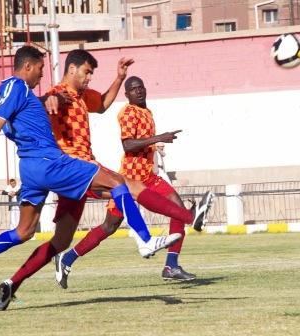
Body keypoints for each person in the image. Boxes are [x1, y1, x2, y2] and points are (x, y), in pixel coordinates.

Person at [0, 46, 198, 301]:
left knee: (32, 233)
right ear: (29, 66)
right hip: (61, 165)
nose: (42, 74)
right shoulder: (32, 88)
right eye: (40, 68)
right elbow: (2, 119)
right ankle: (161, 231)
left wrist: (118, 77)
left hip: (39, 168)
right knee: (122, 184)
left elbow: (99, 104)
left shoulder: (60, 95)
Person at [53, 75, 214, 286]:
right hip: (129, 178)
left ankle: (171, 265)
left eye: (141, 87)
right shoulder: (127, 113)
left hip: (148, 175)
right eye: (133, 89)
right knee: (109, 227)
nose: (139, 91)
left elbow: (143, 144)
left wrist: (155, 146)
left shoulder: (147, 112)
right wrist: (158, 138)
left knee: (176, 204)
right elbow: (128, 145)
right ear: (126, 94)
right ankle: (68, 258)